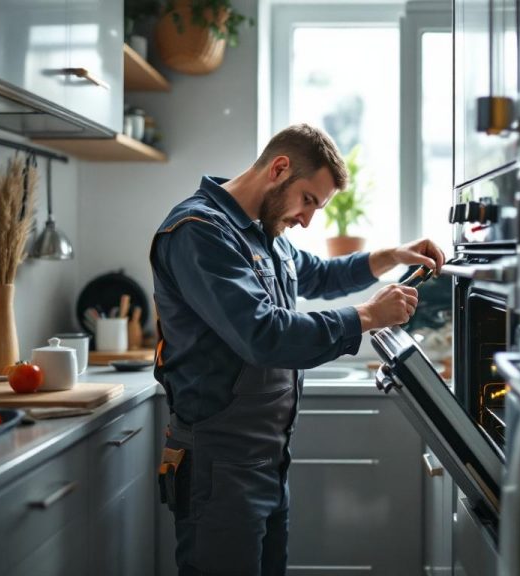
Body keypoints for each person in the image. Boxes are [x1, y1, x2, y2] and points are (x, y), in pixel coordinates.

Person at [150, 123, 445, 576]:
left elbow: (322, 276)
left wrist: (393, 255)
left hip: (268, 461)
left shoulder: (264, 236)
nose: (308, 219)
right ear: (280, 168)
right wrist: (366, 316)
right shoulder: (199, 231)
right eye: (308, 200)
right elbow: (263, 335)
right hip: (219, 465)